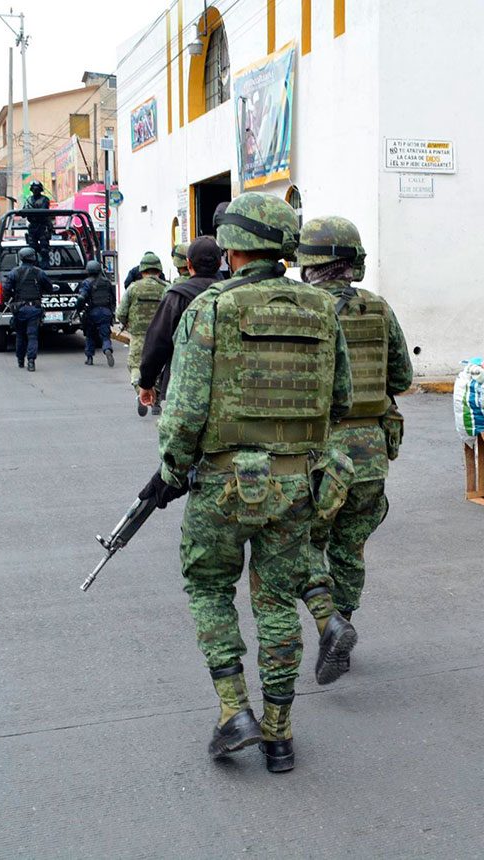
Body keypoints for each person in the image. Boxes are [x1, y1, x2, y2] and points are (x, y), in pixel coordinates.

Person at [153, 191, 352, 773]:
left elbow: (185, 409)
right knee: (277, 603)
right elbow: (338, 401)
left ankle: (234, 711)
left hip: (221, 483)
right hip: (296, 485)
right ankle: (281, 735)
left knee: (211, 587)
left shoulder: (211, 309)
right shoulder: (322, 309)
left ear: (234, 245)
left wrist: (171, 470)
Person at [293, 217, 413, 684]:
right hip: (370, 453)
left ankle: (328, 624)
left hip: (316, 453)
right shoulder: (377, 309)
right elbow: (400, 378)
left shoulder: (303, 309)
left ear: (311, 263)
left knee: (304, 545)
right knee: (350, 547)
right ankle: (343, 620)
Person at [138, 237, 223, 413]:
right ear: (220, 262)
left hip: (181, 386)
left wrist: (146, 383)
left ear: (189, 264)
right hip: (224, 387)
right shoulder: (230, 294)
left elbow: (157, 342)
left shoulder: (176, 297)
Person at [117, 251, 169, 416]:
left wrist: (126, 323)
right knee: (160, 368)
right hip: (161, 336)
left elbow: (120, 312)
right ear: (159, 270)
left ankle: (142, 391)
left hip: (139, 336)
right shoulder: (166, 288)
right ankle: (157, 401)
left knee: (135, 365)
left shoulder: (133, 288)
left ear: (142, 271)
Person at [3, 245, 53, 372]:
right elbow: (49, 287)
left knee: (20, 335)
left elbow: (6, 290)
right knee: (32, 335)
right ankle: (31, 361)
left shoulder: (14, 272)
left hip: (19, 309)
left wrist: (9, 302)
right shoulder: (39, 272)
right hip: (34, 309)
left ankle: (20, 360)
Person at [74, 259, 117, 367]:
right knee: (105, 335)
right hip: (106, 312)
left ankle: (89, 357)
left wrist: (78, 309)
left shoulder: (87, 283)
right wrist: (112, 311)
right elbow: (113, 297)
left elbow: (81, 298)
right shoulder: (107, 282)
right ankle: (107, 349)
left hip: (93, 312)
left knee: (90, 335)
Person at [23, 180, 53, 259]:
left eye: (36, 189)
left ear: (40, 189)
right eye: (33, 189)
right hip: (33, 226)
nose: (35, 190)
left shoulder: (44, 199)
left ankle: (45, 263)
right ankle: (34, 263)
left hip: (42, 226)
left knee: (44, 248)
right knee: (32, 249)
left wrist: (32, 211)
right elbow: (23, 212)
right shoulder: (29, 200)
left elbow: (43, 211)